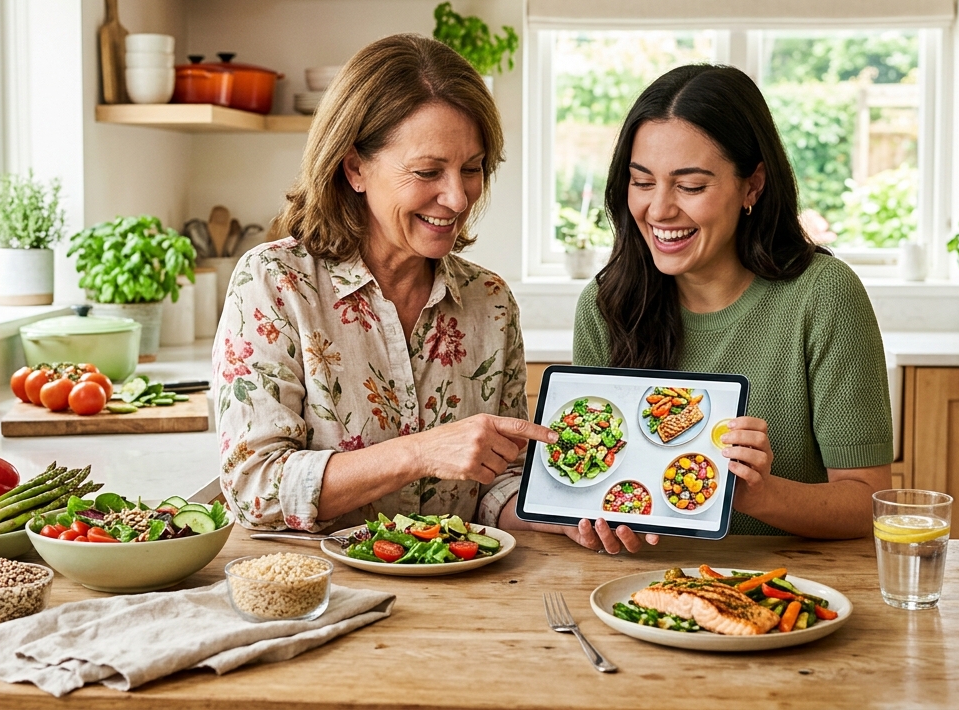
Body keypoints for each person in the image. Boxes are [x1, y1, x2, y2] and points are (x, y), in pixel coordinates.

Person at [213, 34, 557, 533]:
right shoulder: (275, 283)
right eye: (427, 171)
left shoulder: (491, 302)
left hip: (465, 595)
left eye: (472, 169)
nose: (458, 198)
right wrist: (420, 453)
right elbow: (254, 488)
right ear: (355, 167)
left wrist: (560, 513)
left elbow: (497, 481)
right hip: (325, 598)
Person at [562, 64, 893, 549]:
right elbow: (596, 484)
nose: (659, 210)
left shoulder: (824, 296)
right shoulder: (604, 304)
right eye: (642, 182)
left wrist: (760, 495)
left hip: (786, 587)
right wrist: (591, 516)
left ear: (752, 185)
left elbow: (869, 501)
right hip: (641, 581)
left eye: (691, 186)